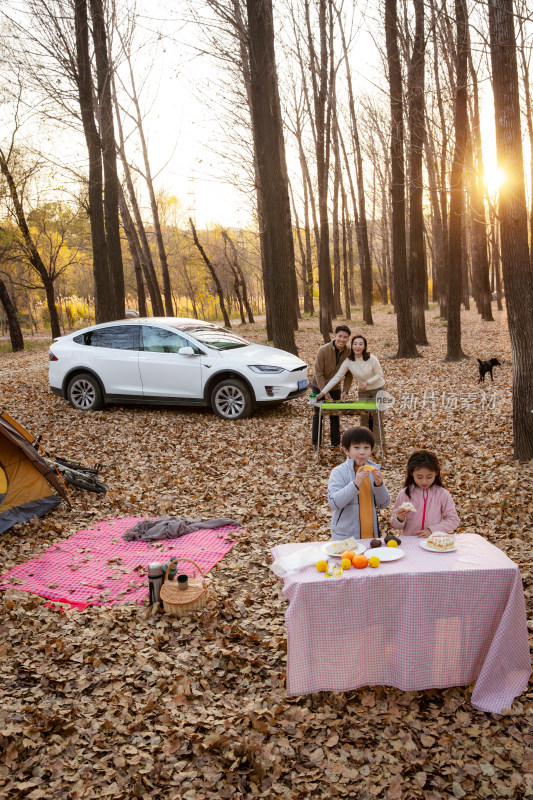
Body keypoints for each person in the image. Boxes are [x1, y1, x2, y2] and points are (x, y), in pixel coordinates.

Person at [316, 334, 385, 446]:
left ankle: (377, 445)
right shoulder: (348, 361)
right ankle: (365, 444)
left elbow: (380, 374)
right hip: (363, 391)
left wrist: (368, 382)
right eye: (355, 344)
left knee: (377, 418)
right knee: (364, 418)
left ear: (364, 346)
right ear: (352, 346)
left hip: (378, 389)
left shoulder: (372, 358)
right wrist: (323, 392)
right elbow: (336, 378)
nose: (358, 347)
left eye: (360, 344)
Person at [328, 426, 390, 541]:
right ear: (346, 450)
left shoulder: (373, 470)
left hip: (371, 537)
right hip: (346, 538)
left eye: (366, 447)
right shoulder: (339, 472)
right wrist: (355, 484)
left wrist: (379, 485)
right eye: (356, 447)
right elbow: (334, 503)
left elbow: (384, 504)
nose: (362, 452)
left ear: (371, 450)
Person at [390, 450, 459, 538]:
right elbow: (396, 525)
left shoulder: (442, 494)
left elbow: (453, 520)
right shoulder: (405, 494)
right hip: (409, 541)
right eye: (419, 477)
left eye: (429, 477)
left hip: (433, 541)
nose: (424, 481)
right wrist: (399, 519)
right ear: (412, 473)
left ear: (436, 473)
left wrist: (432, 530)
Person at [311, 324, 352, 448]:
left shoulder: (349, 352)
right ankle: (316, 443)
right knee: (318, 414)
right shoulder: (323, 350)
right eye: (340, 336)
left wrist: (345, 390)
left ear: (348, 338)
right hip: (318, 386)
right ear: (335, 336)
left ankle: (335, 443)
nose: (342, 339)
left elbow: (349, 374)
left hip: (335, 388)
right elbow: (318, 372)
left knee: (334, 415)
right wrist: (324, 391)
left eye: (345, 337)